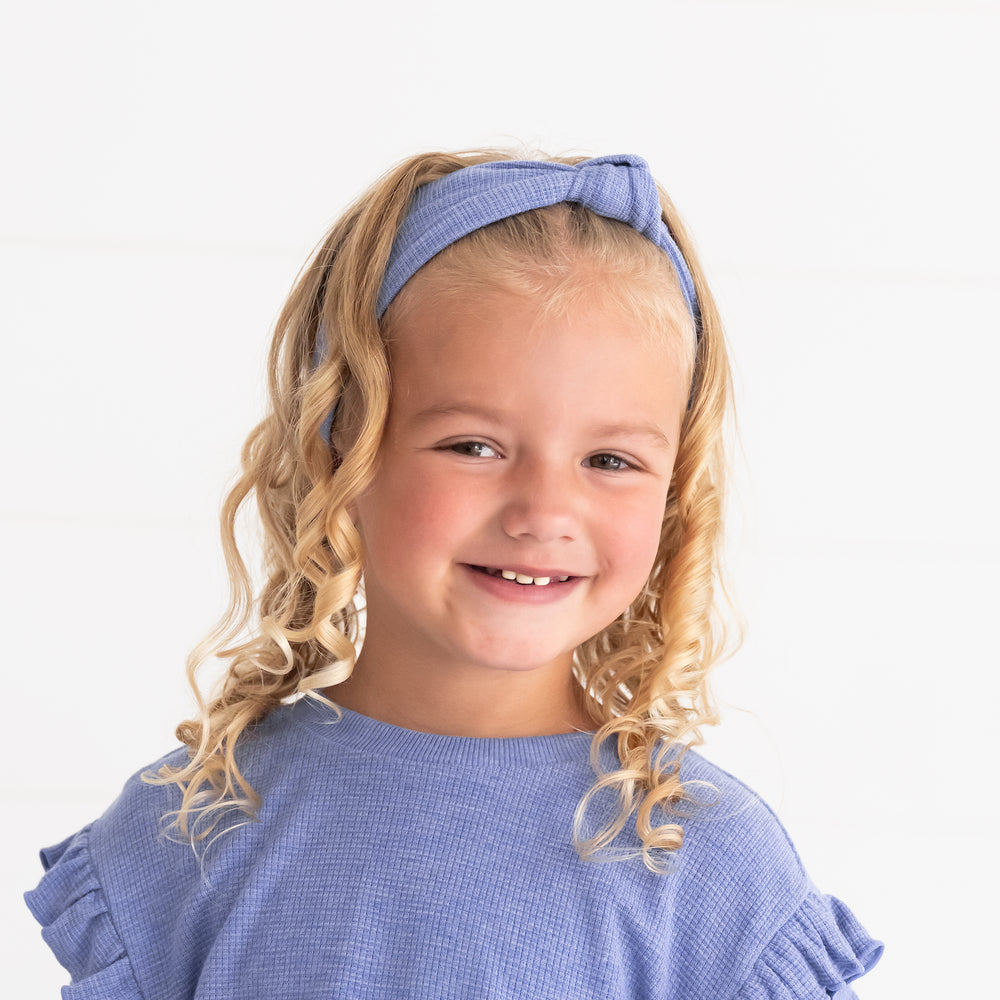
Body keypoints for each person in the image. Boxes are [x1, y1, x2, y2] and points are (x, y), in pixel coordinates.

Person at [25, 151, 883, 998]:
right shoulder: (192, 830)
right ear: (344, 453)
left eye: (610, 459)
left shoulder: (707, 867)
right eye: (474, 446)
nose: (544, 511)